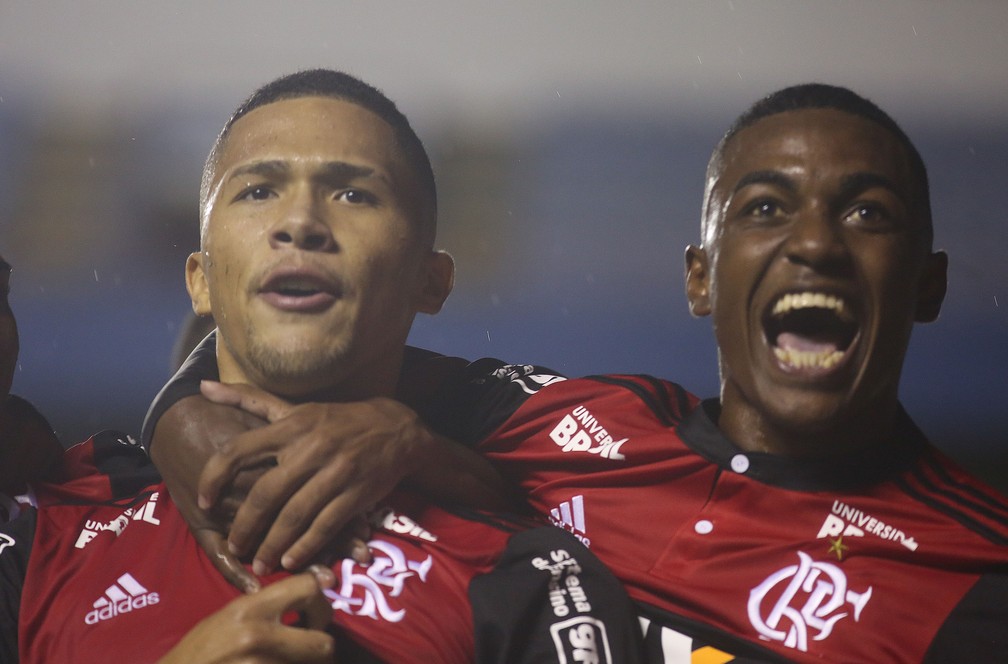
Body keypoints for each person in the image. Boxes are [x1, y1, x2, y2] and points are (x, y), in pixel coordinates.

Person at [148, 83, 1008, 662]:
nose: (815, 245)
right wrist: (183, 418)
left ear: (928, 284)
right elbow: (294, 351)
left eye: (867, 213)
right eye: (765, 210)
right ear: (701, 277)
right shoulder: (577, 420)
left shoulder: (979, 572)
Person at [0, 69, 645, 663]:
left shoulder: (530, 575)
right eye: (257, 190)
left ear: (432, 279)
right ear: (199, 279)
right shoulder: (46, 526)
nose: (301, 222)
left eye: (352, 194)